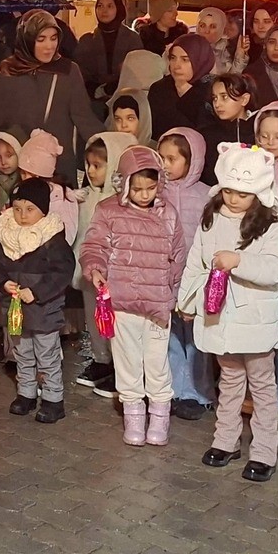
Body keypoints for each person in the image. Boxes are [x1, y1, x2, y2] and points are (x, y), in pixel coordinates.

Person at [177, 144, 278, 480]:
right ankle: (226, 440)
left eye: (243, 193)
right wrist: (187, 300)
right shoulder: (212, 219)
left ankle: (264, 450)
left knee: (261, 386)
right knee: (229, 381)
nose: (234, 198)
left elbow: (275, 269)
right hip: (219, 315)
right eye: (228, 190)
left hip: (254, 319)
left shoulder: (274, 226)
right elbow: (196, 260)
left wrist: (238, 261)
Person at [80, 145, 186, 446]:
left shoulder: (168, 214)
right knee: (126, 360)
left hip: (156, 303)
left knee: (156, 362)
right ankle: (134, 413)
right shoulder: (109, 210)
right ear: (124, 182)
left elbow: (178, 256)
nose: (144, 194)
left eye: (150, 188)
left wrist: (175, 295)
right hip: (123, 300)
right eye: (137, 188)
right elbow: (94, 245)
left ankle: (160, 414)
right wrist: (95, 268)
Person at [0, 176, 76, 422]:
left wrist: (36, 291)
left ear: (43, 211)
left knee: (47, 355)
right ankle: (26, 393)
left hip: (43, 310)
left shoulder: (51, 237)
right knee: (21, 353)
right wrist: (3, 283)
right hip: (15, 310)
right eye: (17, 209)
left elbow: (62, 271)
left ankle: (53, 398)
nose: (22, 215)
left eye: (29, 209)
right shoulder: (6, 234)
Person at [0, 10, 104, 182]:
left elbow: (84, 117)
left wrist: (109, 145)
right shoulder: (9, 70)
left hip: (58, 162)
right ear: (27, 39)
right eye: (41, 39)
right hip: (17, 162)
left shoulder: (68, 70)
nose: (49, 46)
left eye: (53, 38)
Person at [72, 130, 137, 397]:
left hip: (113, 276)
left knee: (115, 323)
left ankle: (120, 368)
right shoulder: (87, 196)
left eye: (98, 166)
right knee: (94, 319)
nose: (91, 171)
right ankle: (102, 360)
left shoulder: (121, 202)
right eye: (89, 165)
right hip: (90, 272)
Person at [157, 128, 215, 421]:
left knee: (196, 339)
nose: (165, 165)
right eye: (161, 158)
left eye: (172, 158)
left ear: (191, 160)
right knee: (169, 337)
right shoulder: (156, 192)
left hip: (194, 280)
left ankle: (198, 392)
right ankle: (175, 389)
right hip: (163, 277)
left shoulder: (206, 195)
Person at [74, 0, 143, 108]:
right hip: (92, 100)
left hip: (125, 99)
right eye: (100, 6)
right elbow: (80, 73)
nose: (104, 10)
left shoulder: (132, 38)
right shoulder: (87, 40)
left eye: (110, 6)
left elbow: (138, 71)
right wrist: (97, 90)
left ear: (118, 9)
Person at [145, 32, 213, 139]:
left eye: (185, 59)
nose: (176, 66)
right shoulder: (159, 89)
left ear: (200, 60)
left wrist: (189, 95)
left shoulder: (213, 91)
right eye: (173, 58)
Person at [198, 72, 258, 174]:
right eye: (214, 98)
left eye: (224, 97)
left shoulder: (261, 129)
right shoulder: (207, 135)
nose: (217, 104)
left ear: (244, 99)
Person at [193, 7, 245, 75]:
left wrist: (240, 55)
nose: (207, 31)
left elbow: (231, 80)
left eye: (213, 26)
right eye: (202, 25)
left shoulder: (226, 50)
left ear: (221, 28)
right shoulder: (189, 46)